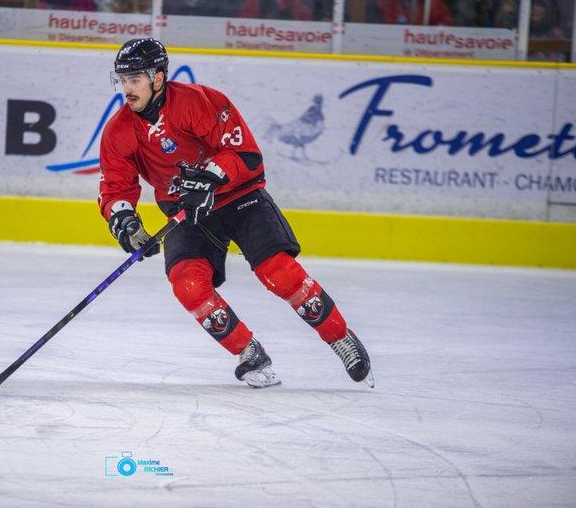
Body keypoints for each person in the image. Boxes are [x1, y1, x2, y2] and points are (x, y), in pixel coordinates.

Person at [98, 38, 373, 388]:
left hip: (239, 197)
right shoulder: (119, 130)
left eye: (135, 79)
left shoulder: (198, 101)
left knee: (279, 273)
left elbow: (244, 153)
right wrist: (123, 219)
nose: (127, 88)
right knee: (187, 284)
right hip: (188, 213)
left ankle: (340, 337)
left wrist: (210, 177)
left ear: (158, 78)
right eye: (122, 79)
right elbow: (116, 186)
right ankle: (248, 351)